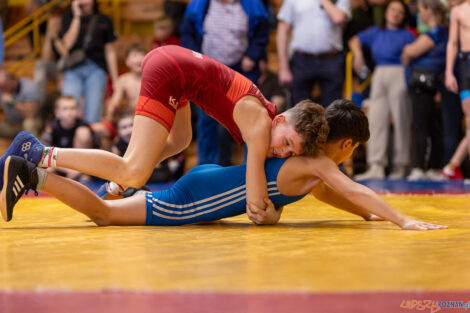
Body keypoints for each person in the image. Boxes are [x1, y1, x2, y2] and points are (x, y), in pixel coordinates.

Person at [0, 99, 447, 232]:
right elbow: (354, 189)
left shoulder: (309, 171)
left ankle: (37, 170)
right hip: (198, 198)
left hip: (208, 179)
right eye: (349, 153)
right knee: (104, 215)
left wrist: (371, 216)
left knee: (122, 194)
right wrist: (402, 220)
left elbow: (344, 199)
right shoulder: (315, 163)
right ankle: (37, 169)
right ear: (345, 144)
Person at [0, 45, 329, 224]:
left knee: (180, 141)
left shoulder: (264, 118)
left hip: (177, 70)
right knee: (135, 169)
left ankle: (114, 185)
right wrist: (272, 214)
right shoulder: (260, 126)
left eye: (289, 153)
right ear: (281, 120)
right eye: (286, 143)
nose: (282, 152)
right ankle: (38, 152)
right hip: (172, 70)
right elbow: (256, 204)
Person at [180, 0, 270, 166]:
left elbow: (262, 32)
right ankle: (207, 169)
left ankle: (251, 167)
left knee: (249, 119)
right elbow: (187, 34)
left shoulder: (253, 5)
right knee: (207, 121)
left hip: (241, 69)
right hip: (208, 69)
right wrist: (195, 59)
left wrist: (252, 55)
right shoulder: (199, 4)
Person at [350, 0, 415, 179]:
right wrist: (359, 54)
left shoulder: (408, 35)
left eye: (400, 12)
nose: (395, 13)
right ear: (386, 12)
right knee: (376, 119)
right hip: (379, 74)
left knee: (402, 119)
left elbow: (415, 53)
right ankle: (376, 166)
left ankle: (401, 166)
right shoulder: (376, 32)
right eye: (393, 9)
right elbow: (354, 40)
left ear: (404, 16)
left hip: (399, 73)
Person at [400, 0, 447, 180]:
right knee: (432, 125)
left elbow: (410, 52)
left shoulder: (435, 32)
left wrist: (407, 51)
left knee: (421, 125)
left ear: (429, 10)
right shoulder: (441, 32)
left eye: (421, 10)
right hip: (430, 83)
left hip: (423, 84)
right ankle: (433, 167)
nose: (419, 14)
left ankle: (419, 167)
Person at [276, 0, 350, 107]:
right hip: (302, 60)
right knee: (298, 110)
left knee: (333, 111)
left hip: (331, 60)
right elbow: (282, 30)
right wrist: (283, 67)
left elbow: (338, 18)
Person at [60, 0, 118, 124]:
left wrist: (115, 79)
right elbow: (68, 44)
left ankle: (87, 141)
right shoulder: (68, 18)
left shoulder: (104, 19)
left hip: (97, 68)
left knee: (93, 114)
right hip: (73, 68)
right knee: (67, 111)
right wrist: (77, 16)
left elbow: (110, 51)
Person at [42, 95, 97, 181]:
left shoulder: (85, 126)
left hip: (82, 168)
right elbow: (45, 155)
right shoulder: (51, 129)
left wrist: (79, 170)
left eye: (73, 108)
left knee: (85, 178)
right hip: (60, 166)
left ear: (77, 110)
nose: (69, 112)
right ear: (57, 112)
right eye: (65, 109)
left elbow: (94, 154)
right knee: (47, 171)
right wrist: (64, 169)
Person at [445, 0, 470, 175]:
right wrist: (448, 72)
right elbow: (452, 43)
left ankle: (453, 165)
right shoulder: (457, 11)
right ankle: (452, 166)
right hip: (466, 65)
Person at [105, 44, 147, 120]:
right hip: (132, 117)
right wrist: (112, 110)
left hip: (151, 117)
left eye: (142, 55)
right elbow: (115, 101)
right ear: (127, 62)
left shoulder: (152, 78)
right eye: (134, 55)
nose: (139, 59)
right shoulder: (124, 80)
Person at [0, 70, 42, 138]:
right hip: (12, 124)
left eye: (4, 86)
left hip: (32, 122)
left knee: (28, 124)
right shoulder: (2, 88)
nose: (2, 90)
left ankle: (35, 147)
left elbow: (30, 114)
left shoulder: (29, 87)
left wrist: (12, 102)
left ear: (13, 81)